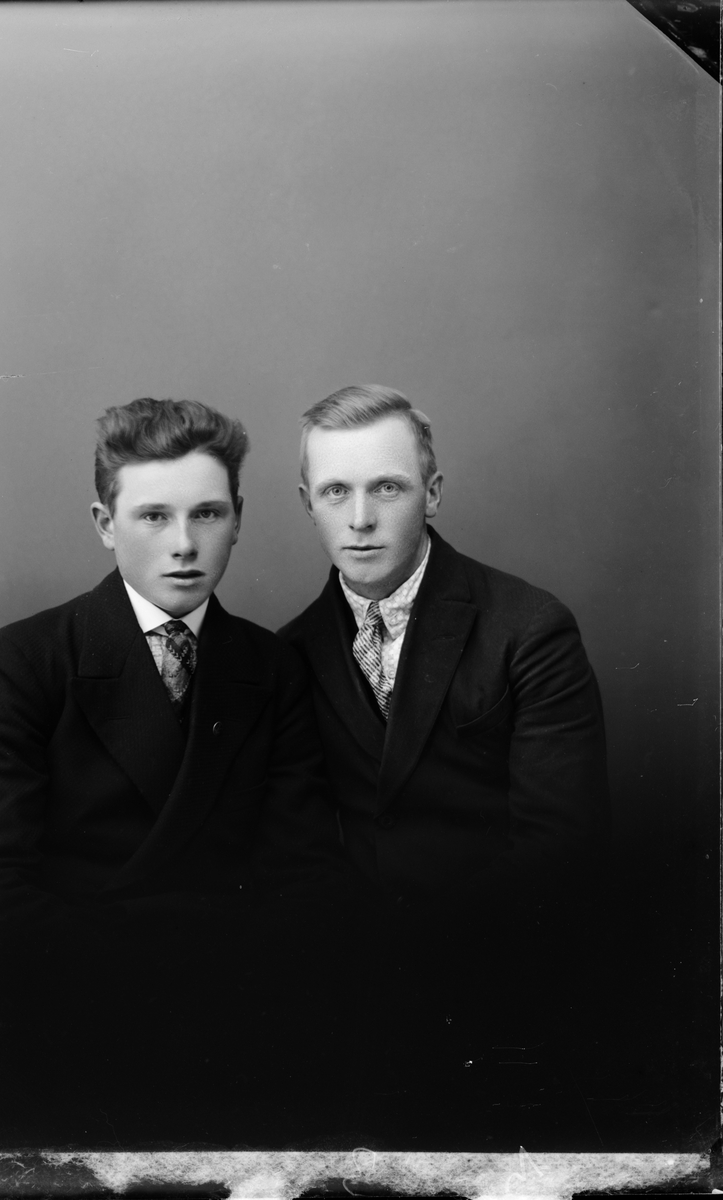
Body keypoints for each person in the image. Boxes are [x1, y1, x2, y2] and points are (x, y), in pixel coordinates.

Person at [0, 397, 351, 1148]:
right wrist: (171, 953)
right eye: (153, 516)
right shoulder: (26, 661)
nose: (184, 545)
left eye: (207, 514)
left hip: (239, 1045)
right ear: (105, 523)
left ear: (238, 519)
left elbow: (307, 884)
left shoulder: (272, 668)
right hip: (64, 1045)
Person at [279, 384, 611, 1145]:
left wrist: (416, 963)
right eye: (336, 492)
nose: (360, 519)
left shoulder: (529, 628)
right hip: (353, 1015)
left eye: (387, 488)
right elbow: (294, 855)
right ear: (307, 503)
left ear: (431, 493)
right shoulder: (288, 654)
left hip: (509, 1001)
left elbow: (562, 849)